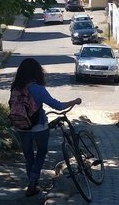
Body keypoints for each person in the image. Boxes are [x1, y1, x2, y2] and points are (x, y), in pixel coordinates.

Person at [10, 58, 81, 197]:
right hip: (39, 127)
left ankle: (32, 182)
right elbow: (57, 106)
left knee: (28, 156)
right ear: (37, 72)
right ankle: (33, 181)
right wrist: (75, 101)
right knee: (41, 153)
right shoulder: (38, 89)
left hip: (20, 127)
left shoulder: (15, 87)